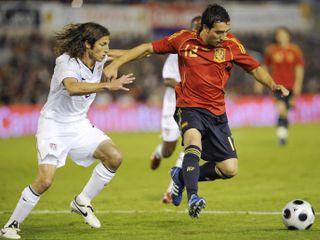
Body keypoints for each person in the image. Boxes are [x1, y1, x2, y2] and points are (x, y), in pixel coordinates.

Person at [104, 4, 289, 218]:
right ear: (205, 28)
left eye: (226, 31)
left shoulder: (231, 45)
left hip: (218, 114)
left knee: (229, 169)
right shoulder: (183, 40)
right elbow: (146, 48)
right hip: (189, 107)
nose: (224, 36)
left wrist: (272, 85)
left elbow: (254, 69)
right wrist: (116, 63)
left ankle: (181, 176)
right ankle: (193, 198)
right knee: (193, 142)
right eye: (219, 32)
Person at [0, 22, 135, 239]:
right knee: (45, 181)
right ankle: (11, 225)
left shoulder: (101, 57)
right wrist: (107, 85)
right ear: (88, 44)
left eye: (108, 44)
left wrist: (161, 48)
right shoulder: (67, 62)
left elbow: (133, 54)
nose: (107, 49)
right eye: (103, 44)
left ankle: (82, 201)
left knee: (114, 156)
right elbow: (72, 88)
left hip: (79, 124)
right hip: (54, 125)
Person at [150, 16, 202, 204]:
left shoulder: (209, 52)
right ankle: (158, 151)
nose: (197, 32)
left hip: (196, 106)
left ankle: (171, 190)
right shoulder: (179, 50)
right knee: (168, 149)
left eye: (201, 28)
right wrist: (188, 85)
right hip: (174, 104)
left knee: (191, 144)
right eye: (195, 28)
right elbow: (167, 79)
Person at [255, 26, 304, 146]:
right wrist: (259, 82)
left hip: (291, 86)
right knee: (281, 109)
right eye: (278, 35)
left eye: (283, 34)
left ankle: (283, 133)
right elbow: (264, 67)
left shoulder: (294, 50)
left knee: (286, 111)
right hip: (277, 86)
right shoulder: (271, 50)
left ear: (288, 36)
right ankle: (282, 138)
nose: (280, 37)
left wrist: (298, 84)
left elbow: (299, 68)